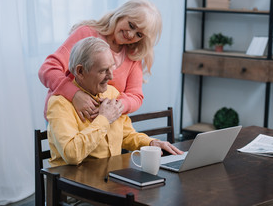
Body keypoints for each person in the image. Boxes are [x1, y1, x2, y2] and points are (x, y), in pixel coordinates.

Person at [47, 37, 182, 167]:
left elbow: (126, 135)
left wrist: (151, 143)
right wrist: (104, 119)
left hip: (110, 177)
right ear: (80, 71)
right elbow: (72, 154)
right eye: (103, 71)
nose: (111, 76)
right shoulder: (59, 103)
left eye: (111, 68)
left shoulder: (112, 93)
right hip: (72, 183)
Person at [39, 0, 162, 122]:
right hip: (66, 118)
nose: (131, 35)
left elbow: (135, 96)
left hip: (102, 127)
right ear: (121, 15)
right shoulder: (86, 33)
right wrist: (75, 94)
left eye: (139, 35)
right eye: (131, 25)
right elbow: (48, 69)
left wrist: (115, 106)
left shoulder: (133, 56)